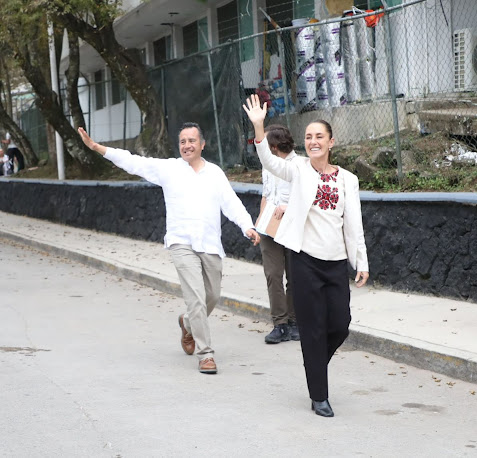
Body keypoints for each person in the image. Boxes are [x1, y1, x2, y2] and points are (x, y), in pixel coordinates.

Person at [78, 123, 260, 374]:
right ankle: (205, 354)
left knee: (212, 296)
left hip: (209, 243)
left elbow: (231, 203)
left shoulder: (215, 173)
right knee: (196, 298)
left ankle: (187, 322)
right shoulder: (169, 169)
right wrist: (98, 148)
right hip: (180, 242)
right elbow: (133, 162)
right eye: (183, 141)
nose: (187, 145)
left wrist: (247, 226)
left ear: (202, 144)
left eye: (192, 141)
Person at [244, 94, 369, 417]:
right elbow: (270, 162)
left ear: (331, 142)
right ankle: (319, 396)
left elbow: (353, 223)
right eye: (309, 137)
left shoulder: (348, 179)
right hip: (304, 261)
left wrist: (361, 261)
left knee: (340, 325)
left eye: (319, 136)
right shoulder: (298, 168)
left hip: (335, 261)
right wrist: (259, 127)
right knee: (312, 329)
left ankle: (314, 364)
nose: (313, 141)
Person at [259, 124, 299, 344]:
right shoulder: (267, 166)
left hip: (292, 227)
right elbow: (266, 195)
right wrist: (259, 224)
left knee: (294, 275)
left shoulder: (300, 166)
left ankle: (294, 322)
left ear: (274, 146)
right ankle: (280, 324)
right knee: (273, 274)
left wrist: (288, 209)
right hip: (269, 227)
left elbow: (306, 199)